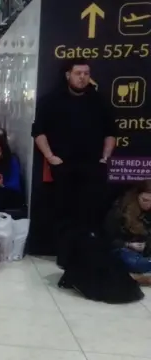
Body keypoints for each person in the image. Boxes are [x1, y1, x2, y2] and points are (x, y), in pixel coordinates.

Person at [32, 58, 117, 268]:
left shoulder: (99, 101)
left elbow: (111, 132)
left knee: (89, 212)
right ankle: (65, 256)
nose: (83, 77)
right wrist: (51, 157)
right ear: (68, 75)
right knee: (64, 212)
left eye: (86, 73)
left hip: (92, 165)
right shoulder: (51, 101)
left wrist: (105, 158)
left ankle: (86, 256)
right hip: (63, 166)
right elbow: (38, 132)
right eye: (78, 73)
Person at [104, 181, 151, 282]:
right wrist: (128, 244)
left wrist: (147, 244)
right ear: (137, 196)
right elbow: (108, 238)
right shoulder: (121, 211)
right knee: (134, 263)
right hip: (123, 250)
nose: (149, 205)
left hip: (145, 251)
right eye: (145, 200)